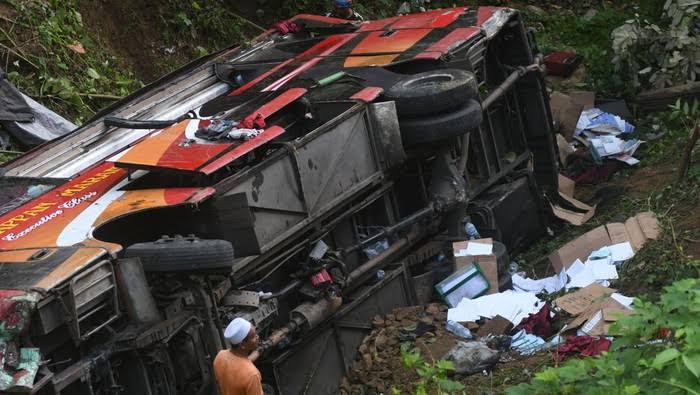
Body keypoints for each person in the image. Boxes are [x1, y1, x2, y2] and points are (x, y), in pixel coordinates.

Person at [213, 318, 263, 395]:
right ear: (242, 345)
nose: (257, 337)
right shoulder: (252, 375)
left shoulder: (220, 356)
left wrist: (258, 351)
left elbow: (236, 366)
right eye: (253, 336)